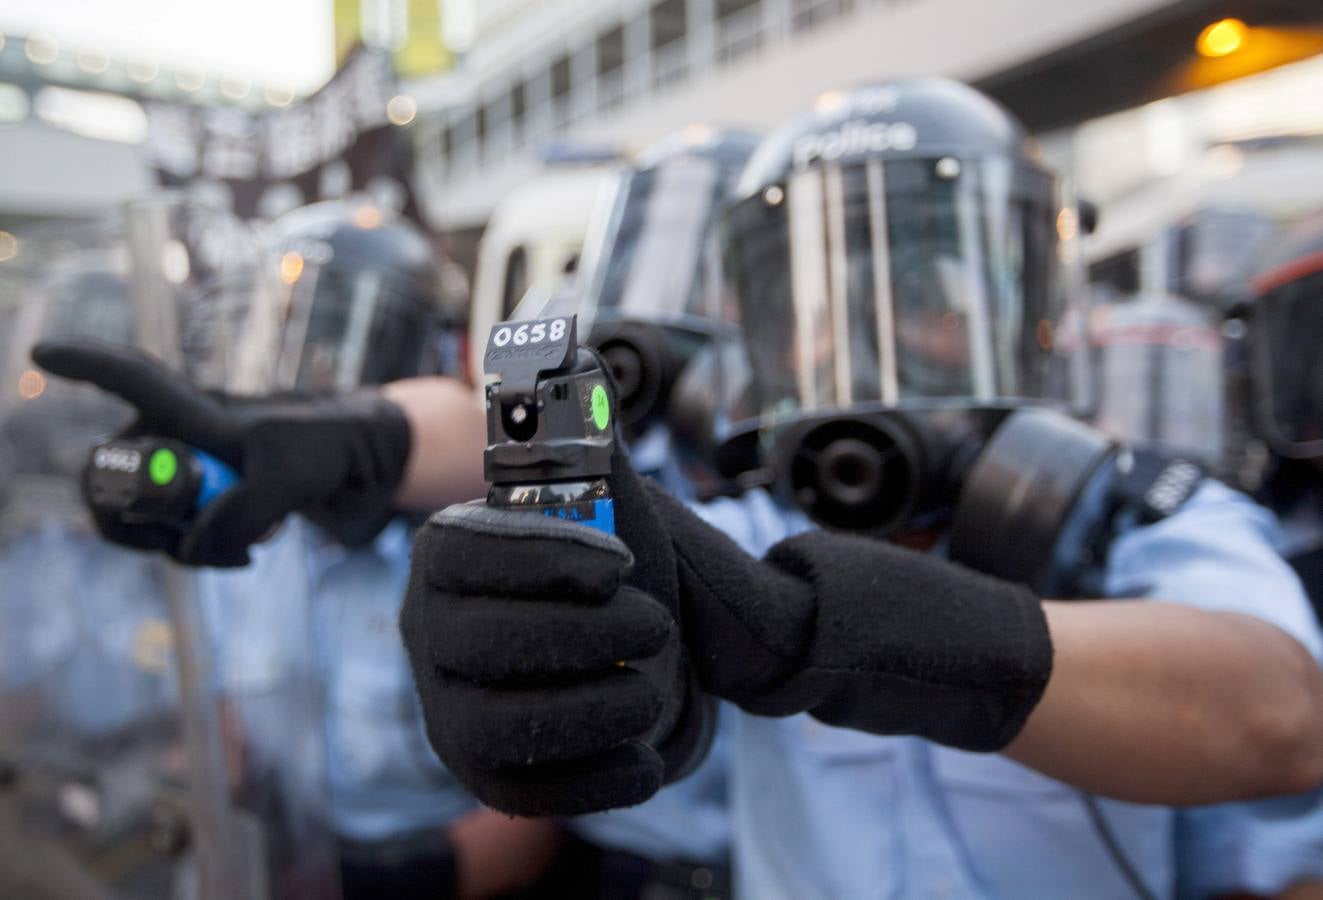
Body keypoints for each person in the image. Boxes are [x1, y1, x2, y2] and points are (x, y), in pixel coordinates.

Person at [396, 78, 1323, 899]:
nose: (866, 347)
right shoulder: (746, 525)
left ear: (1031, 312)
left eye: (929, 292)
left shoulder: (1125, 516)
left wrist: (831, 631)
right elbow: (650, 705)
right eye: (814, 305)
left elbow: (1282, 718)